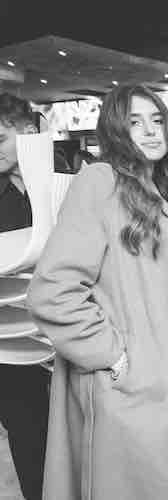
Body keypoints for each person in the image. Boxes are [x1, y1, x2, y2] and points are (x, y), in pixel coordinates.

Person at [27, 84, 168, 500]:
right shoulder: (99, 181)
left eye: (157, 120)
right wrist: (110, 354)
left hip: (164, 379)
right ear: (116, 132)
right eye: (135, 122)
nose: (150, 131)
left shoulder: (151, 190)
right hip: (128, 386)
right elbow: (52, 291)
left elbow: (138, 282)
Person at [0, 92, 48, 500]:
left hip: (68, 335)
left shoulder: (66, 182)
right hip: (12, 342)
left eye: (0, 138)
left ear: (29, 132)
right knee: (28, 437)